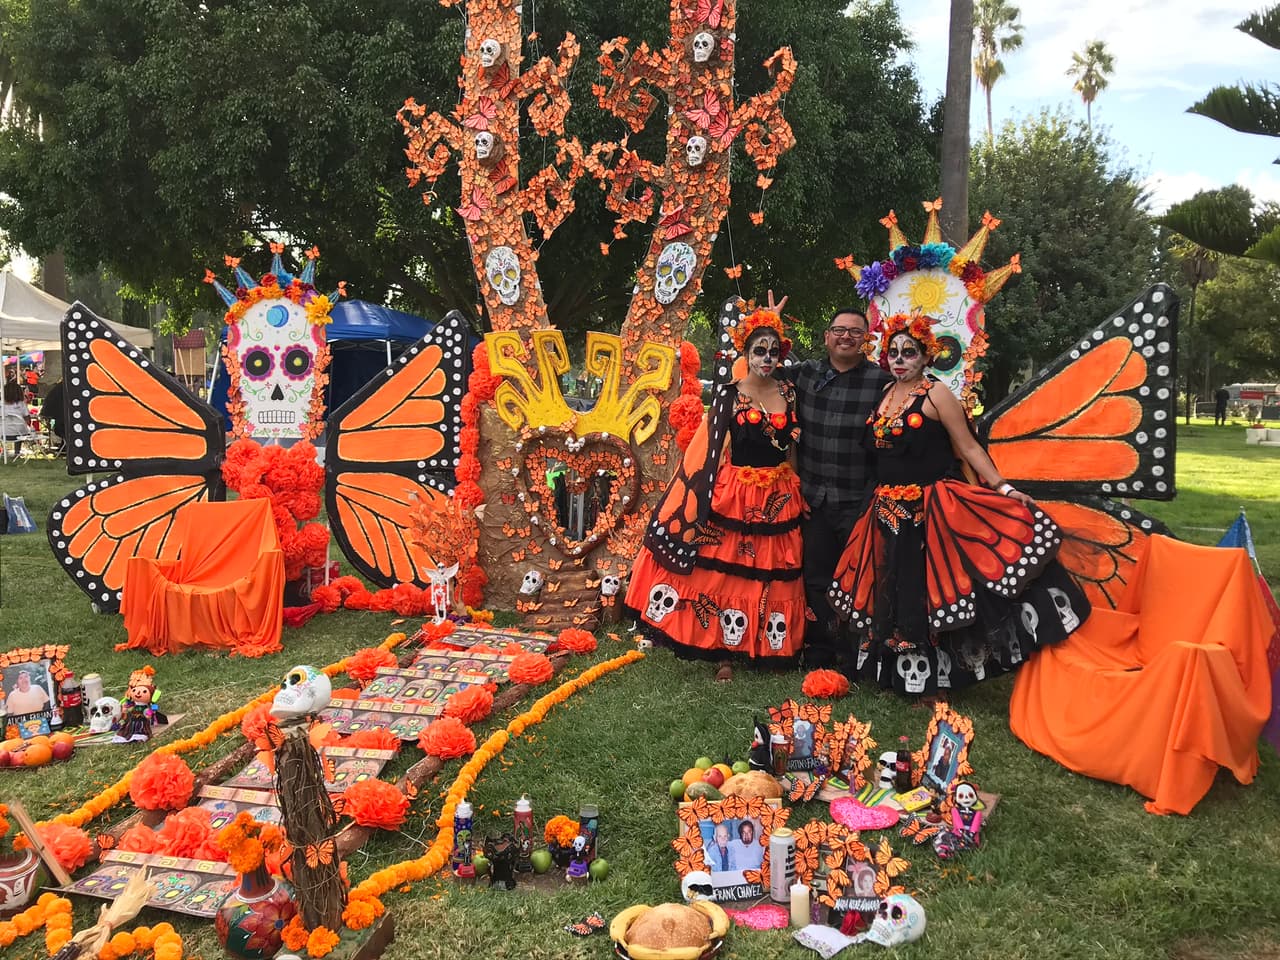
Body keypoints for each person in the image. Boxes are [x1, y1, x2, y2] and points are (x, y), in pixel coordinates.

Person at [828, 312, 1091, 695]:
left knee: (927, 592)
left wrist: (1002, 488)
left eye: (909, 352)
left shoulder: (937, 394)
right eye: (894, 352)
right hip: (885, 509)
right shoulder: (886, 394)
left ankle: (934, 680)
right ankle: (895, 674)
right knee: (890, 589)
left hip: (929, 511)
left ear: (925, 357)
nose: (900, 359)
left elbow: (968, 446)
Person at [625, 308, 806, 681]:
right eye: (759, 350)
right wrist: (695, 497)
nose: (767, 358)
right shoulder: (728, 395)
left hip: (779, 490)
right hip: (736, 492)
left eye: (773, 351)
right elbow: (706, 451)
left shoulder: (790, 392)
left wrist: (796, 484)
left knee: (767, 573)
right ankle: (723, 650)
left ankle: (762, 644)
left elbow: (793, 446)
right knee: (725, 574)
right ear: (747, 354)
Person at [776, 299, 892, 670]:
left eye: (855, 332)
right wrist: (773, 326)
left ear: (866, 339)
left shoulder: (882, 382)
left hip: (859, 499)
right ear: (827, 337)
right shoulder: (805, 375)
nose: (846, 337)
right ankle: (820, 650)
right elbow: (760, 368)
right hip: (814, 499)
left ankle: (856, 654)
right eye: (839, 331)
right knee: (817, 578)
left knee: (862, 579)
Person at [0, 381, 34, 455]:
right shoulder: (21, 404)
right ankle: (17, 452)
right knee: (20, 427)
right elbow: (28, 419)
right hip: (20, 433)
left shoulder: (1, 404)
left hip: (3, 433)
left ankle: (3, 450)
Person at [41, 378, 67, 452]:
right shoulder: (62, 388)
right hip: (62, 422)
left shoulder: (58, 388)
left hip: (59, 421)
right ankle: (64, 446)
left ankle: (64, 446)